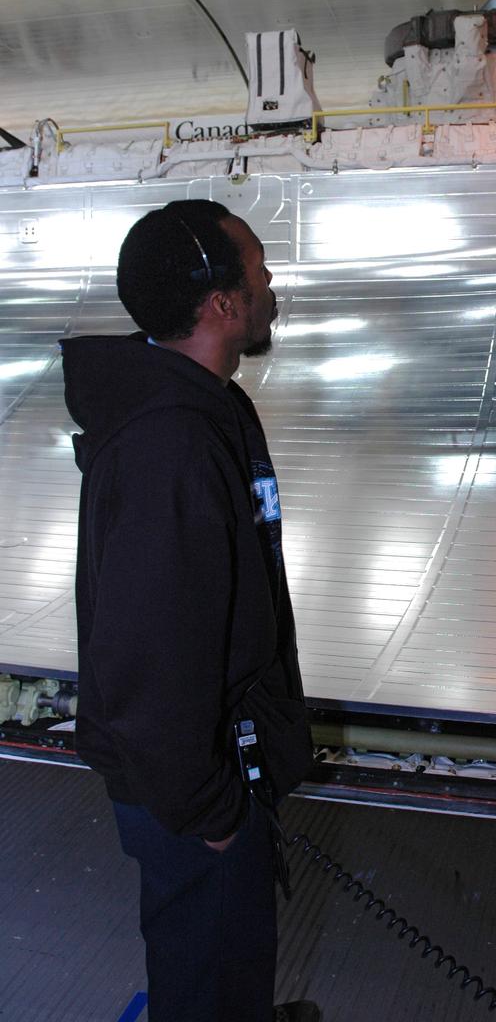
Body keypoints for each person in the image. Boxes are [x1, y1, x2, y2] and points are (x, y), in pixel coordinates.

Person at [62, 199, 320, 1022]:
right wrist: (207, 808)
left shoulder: (207, 408)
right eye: (257, 266)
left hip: (213, 763)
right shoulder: (169, 444)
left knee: (227, 953)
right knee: (204, 960)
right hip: (192, 780)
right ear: (221, 303)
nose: (270, 279)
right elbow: (148, 651)